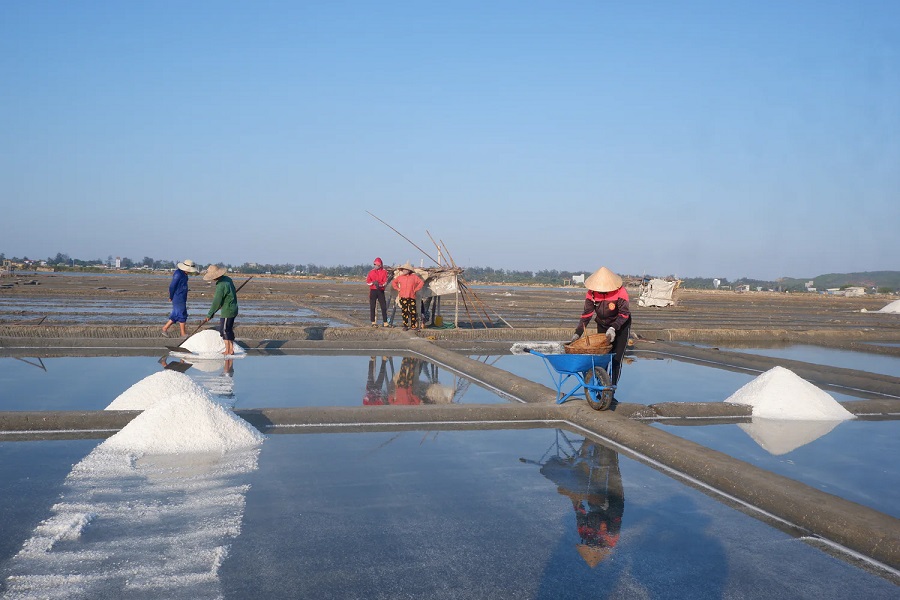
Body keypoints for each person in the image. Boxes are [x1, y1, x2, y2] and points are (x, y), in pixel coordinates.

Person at [571, 266, 631, 385]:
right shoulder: (591, 293)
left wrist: (613, 328)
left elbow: (624, 314)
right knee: (602, 358)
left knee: (616, 359)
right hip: (603, 325)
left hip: (620, 326)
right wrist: (577, 333)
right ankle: (600, 389)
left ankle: (611, 390)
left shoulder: (620, 292)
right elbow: (587, 315)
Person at [201, 264, 238, 356]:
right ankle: (230, 349)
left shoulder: (221, 285)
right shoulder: (227, 279)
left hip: (227, 310)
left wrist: (210, 314)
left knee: (224, 330)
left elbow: (216, 301)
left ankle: (228, 350)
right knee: (228, 329)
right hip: (233, 307)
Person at [162, 259, 199, 335]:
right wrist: (171, 296)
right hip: (177, 296)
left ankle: (165, 328)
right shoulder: (178, 274)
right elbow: (172, 286)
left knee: (177, 314)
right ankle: (183, 334)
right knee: (181, 314)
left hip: (182, 296)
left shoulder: (184, 274)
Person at [390, 262, 424, 331]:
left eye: (405, 269)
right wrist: (398, 289)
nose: (403, 271)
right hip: (403, 296)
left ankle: (413, 325)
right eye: (403, 270)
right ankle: (405, 325)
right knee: (404, 311)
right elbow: (394, 282)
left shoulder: (414, 277)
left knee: (413, 312)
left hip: (411, 296)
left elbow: (421, 282)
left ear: (409, 270)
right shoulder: (400, 277)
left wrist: (416, 289)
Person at [366, 257, 390, 327]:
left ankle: (385, 322)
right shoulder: (371, 272)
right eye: (375, 264)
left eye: (377, 265)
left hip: (380, 290)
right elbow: (368, 282)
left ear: (380, 265)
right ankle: (373, 322)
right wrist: (373, 283)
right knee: (372, 306)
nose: (376, 266)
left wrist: (379, 284)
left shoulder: (384, 272)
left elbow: (385, 282)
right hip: (373, 290)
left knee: (383, 306)